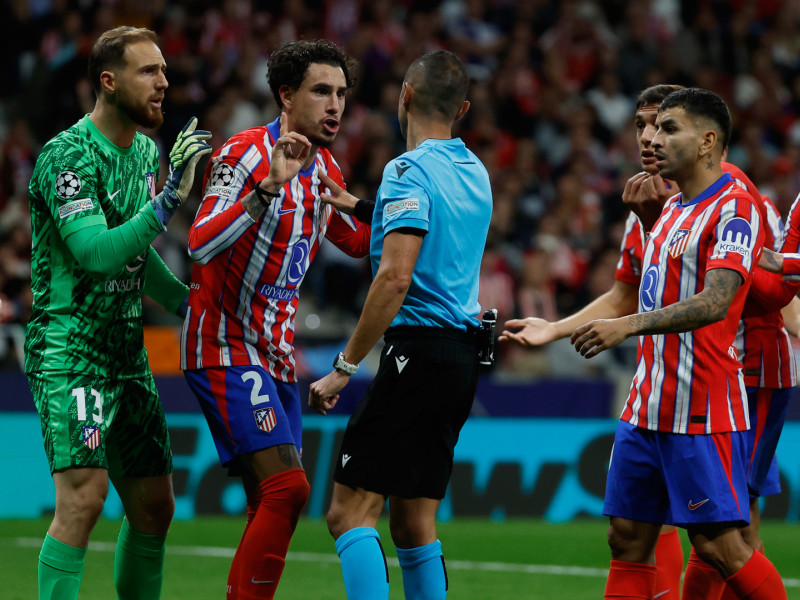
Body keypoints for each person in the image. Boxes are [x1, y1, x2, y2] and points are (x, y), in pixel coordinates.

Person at [502, 84, 800, 600]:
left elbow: (716, 300)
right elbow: (636, 291)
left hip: (703, 403)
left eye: (666, 127)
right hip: (647, 401)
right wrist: (556, 327)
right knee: (626, 537)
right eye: (646, 126)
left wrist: (628, 327)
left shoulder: (735, 205)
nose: (650, 138)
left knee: (722, 547)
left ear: (707, 141)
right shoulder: (667, 209)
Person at [25, 26, 211, 600]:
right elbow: (96, 253)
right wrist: (170, 199)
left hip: (126, 351)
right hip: (71, 348)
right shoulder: (67, 157)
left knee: (155, 507)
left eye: (163, 70)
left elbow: (135, 256)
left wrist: (190, 303)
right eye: (148, 72)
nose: (164, 82)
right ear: (108, 82)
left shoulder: (147, 154)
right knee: (84, 496)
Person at [180, 39, 370, 600]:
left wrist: (356, 204)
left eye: (341, 93)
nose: (335, 105)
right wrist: (267, 189)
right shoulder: (245, 154)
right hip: (222, 343)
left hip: (277, 356)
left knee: (272, 501)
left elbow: (359, 244)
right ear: (286, 95)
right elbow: (200, 242)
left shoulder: (326, 166)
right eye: (321, 91)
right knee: (288, 488)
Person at [308, 50, 493, 600]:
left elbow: (394, 278)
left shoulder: (406, 170)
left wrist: (343, 367)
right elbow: (435, 228)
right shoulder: (475, 172)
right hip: (461, 363)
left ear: (404, 96)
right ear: (461, 109)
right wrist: (362, 207)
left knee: (348, 513)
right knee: (414, 523)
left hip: (418, 353)